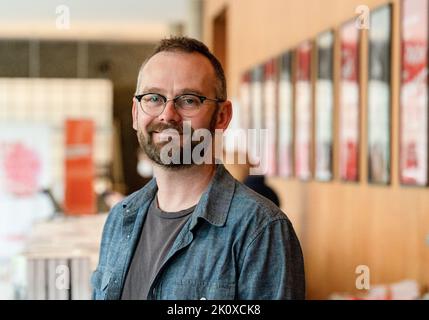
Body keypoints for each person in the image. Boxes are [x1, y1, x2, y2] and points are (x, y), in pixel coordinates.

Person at [91, 36, 305, 300]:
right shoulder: (119, 219)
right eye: (154, 98)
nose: (168, 115)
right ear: (136, 113)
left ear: (222, 116)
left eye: (189, 100)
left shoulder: (260, 229)